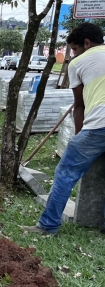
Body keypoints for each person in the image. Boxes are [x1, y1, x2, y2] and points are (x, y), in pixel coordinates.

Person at [22, 23, 105, 236]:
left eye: (75, 48)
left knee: (66, 172)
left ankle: (48, 225)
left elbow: (79, 106)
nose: (73, 53)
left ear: (87, 43)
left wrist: (80, 137)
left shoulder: (77, 63)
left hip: (98, 127)